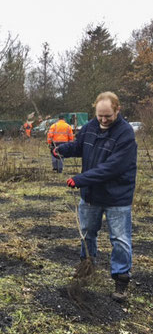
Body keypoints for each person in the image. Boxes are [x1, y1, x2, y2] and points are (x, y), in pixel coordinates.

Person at [53, 92, 137, 303]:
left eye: (108, 115)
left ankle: (121, 280)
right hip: (91, 195)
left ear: (117, 110)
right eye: (100, 115)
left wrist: (81, 179)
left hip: (117, 196)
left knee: (119, 239)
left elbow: (112, 168)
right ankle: (87, 268)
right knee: (88, 232)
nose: (103, 120)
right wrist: (61, 150)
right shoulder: (90, 127)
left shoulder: (125, 134)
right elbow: (80, 146)